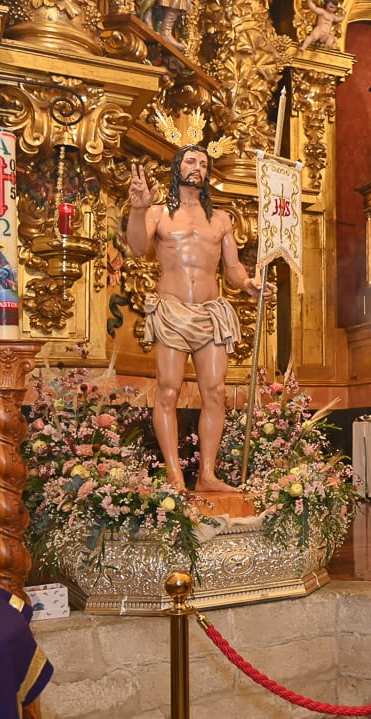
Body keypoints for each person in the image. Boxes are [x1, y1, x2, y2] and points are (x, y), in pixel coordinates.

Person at [127, 146, 272, 493]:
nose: (198, 168)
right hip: (173, 311)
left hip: (210, 312)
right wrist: (138, 208)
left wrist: (249, 284)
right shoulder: (158, 214)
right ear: (177, 167)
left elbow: (232, 268)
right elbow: (136, 247)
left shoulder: (221, 219)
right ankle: (175, 476)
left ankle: (207, 474)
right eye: (191, 161)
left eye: (204, 164)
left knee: (216, 391)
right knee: (168, 390)